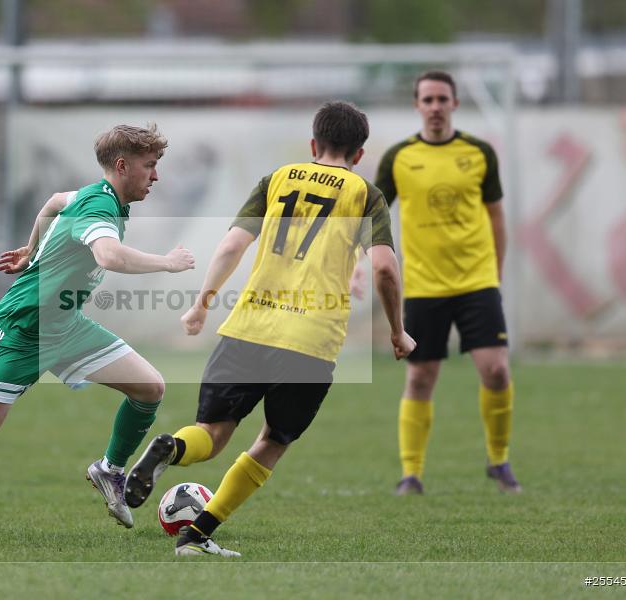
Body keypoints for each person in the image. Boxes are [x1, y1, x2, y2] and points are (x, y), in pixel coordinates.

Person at [0, 123, 195, 542]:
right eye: (150, 166)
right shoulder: (98, 208)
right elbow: (109, 255)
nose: (156, 176)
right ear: (122, 166)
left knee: (150, 388)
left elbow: (54, 202)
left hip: (65, 325)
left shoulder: (99, 198)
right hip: (23, 327)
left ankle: (110, 470)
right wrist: (167, 262)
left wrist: (30, 250)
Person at [123, 101, 415, 557]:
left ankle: (172, 447)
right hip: (310, 342)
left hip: (247, 327)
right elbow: (385, 271)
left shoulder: (277, 180)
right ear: (359, 154)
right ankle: (196, 537)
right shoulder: (365, 194)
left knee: (212, 432)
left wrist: (202, 305)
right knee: (272, 441)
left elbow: (232, 244)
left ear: (313, 145)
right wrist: (398, 331)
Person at [372, 70, 520, 495]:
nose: (435, 107)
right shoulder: (399, 157)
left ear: (455, 103)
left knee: (496, 371)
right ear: (417, 105)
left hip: (477, 281)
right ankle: (411, 474)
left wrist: (496, 271)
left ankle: (499, 460)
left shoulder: (478, 153)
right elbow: (374, 213)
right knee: (420, 379)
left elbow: (495, 216)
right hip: (421, 286)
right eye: (428, 100)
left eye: (442, 99)